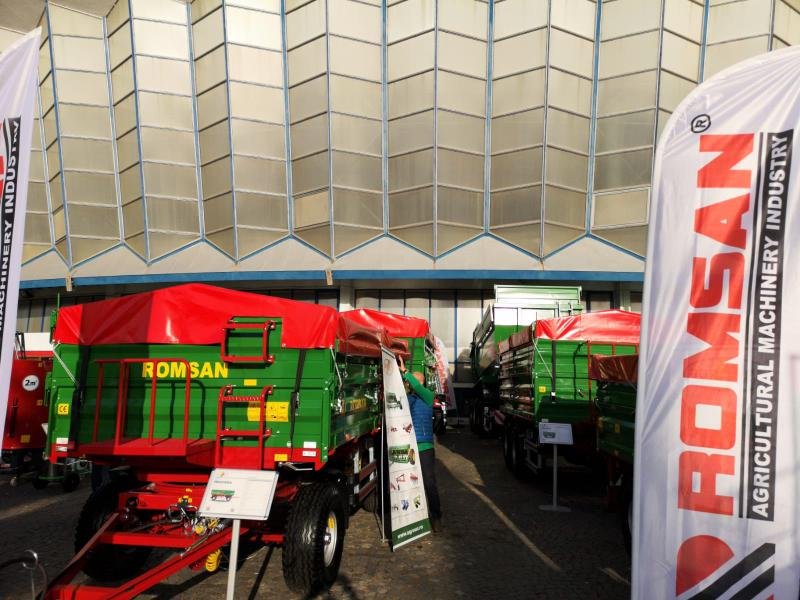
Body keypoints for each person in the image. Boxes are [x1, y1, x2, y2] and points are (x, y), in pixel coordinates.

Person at [399, 356, 442, 532]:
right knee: (410, 483)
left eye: (413, 382)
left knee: (429, 482)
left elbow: (416, 386)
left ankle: (436, 516)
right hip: (410, 447)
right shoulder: (410, 398)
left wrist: (405, 372)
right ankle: (414, 516)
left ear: (420, 382)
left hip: (425, 447)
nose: (410, 385)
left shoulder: (428, 396)